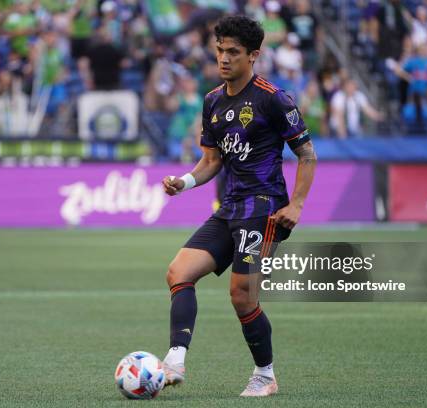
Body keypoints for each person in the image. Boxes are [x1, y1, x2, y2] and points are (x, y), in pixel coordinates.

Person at [161, 15, 316, 397]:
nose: (224, 58)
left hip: (264, 209)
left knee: (242, 295)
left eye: (233, 52)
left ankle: (265, 375)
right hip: (230, 207)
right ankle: (175, 361)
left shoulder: (274, 99)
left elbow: (307, 156)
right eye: (220, 51)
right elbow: (212, 161)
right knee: (179, 271)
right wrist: (185, 182)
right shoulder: (212, 101)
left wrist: (296, 205)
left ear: (253, 55)